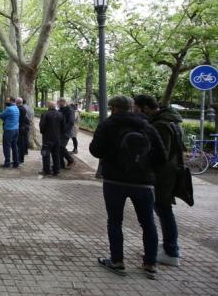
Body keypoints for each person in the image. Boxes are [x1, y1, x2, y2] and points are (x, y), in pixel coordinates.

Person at [90, 96, 167, 280]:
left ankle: (117, 261)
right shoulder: (147, 126)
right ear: (132, 108)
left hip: (114, 181)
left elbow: (95, 151)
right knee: (148, 223)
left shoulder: (108, 125)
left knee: (115, 221)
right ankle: (150, 264)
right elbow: (162, 157)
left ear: (114, 108)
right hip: (144, 183)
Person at [133, 95, 185, 267]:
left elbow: (159, 155)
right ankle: (171, 247)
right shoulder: (172, 122)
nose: (135, 111)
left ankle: (171, 251)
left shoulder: (160, 125)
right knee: (164, 210)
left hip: (163, 176)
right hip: (169, 173)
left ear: (145, 108)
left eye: (137, 108)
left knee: (163, 210)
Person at [38, 101, 62, 176]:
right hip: (57, 138)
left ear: (48, 106)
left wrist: (43, 132)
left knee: (45, 154)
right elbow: (63, 126)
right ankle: (56, 170)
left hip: (47, 138)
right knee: (56, 154)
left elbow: (42, 126)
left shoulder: (45, 114)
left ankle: (47, 170)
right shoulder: (60, 114)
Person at [0, 97, 20, 168]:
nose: (5, 102)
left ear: (11, 101)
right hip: (16, 129)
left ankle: (7, 163)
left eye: (7, 101)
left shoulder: (9, 109)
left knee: (6, 146)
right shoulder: (17, 108)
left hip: (9, 130)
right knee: (14, 146)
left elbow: (1, 115)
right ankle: (16, 162)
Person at [57, 98, 76, 168]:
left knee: (61, 147)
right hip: (59, 132)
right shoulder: (60, 110)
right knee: (59, 147)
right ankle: (61, 164)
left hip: (66, 132)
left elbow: (71, 122)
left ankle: (71, 160)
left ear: (63, 102)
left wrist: (64, 130)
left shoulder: (70, 110)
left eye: (58, 102)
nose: (58, 104)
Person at [16, 97, 30, 163]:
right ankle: (20, 159)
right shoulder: (24, 108)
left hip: (21, 128)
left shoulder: (19, 109)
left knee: (20, 144)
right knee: (21, 144)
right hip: (24, 127)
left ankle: (19, 159)